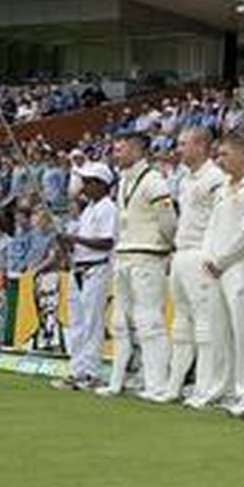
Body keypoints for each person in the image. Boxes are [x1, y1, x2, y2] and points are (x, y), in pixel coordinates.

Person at [102, 132, 177, 401]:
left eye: (120, 149)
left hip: (147, 255)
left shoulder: (154, 180)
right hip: (124, 255)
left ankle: (156, 383)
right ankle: (117, 381)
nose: (116, 153)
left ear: (137, 151)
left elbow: (168, 220)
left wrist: (165, 246)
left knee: (150, 321)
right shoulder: (123, 181)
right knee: (120, 321)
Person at [201, 132, 244, 415]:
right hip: (217, 267)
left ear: (243, 154)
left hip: (241, 266)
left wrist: (223, 260)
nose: (219, 160)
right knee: (218, 331)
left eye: (225, 154)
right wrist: (208, 258)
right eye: (218, 155)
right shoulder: (224, 187)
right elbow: (213, 226)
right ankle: (219, 388)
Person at [162, 127, 226, 404]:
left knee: (205, 325)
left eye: (184, 143)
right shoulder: (184, 179)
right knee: (180, 324)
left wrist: (214, 255)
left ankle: (205, 387)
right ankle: (174, 385)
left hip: (202, 253)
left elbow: (222, 220)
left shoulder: (216, 177)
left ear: (201, 146)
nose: (179, 149)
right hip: (181, 252)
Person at [51, 162, 116, 391]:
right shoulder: (89, 209)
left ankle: (91, 372)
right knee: (77, 323)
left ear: (100, 184)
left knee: (92, 323)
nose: (84, 186)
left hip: (96, 269)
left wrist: (74, 240)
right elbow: (80, 245)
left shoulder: (108, 207)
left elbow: (107, 242)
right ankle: (77, 370)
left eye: (88, 182)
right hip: (79, 268)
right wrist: (66, 243)